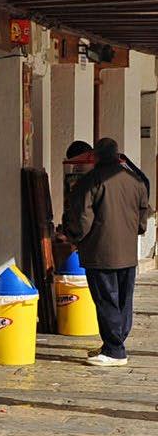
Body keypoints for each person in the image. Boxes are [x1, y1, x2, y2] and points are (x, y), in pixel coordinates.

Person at [60, 138, 151, 367]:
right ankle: (114, 343)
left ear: (96, 156)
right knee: (123, 301)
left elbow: (82, 219)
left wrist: (72, 236)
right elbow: (143, 215)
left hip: (100, 253)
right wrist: (135, 230)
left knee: (106, 300)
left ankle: (115, 351)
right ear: (116, 154)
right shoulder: (135, 180)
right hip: (127, 253)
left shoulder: (91, 181)